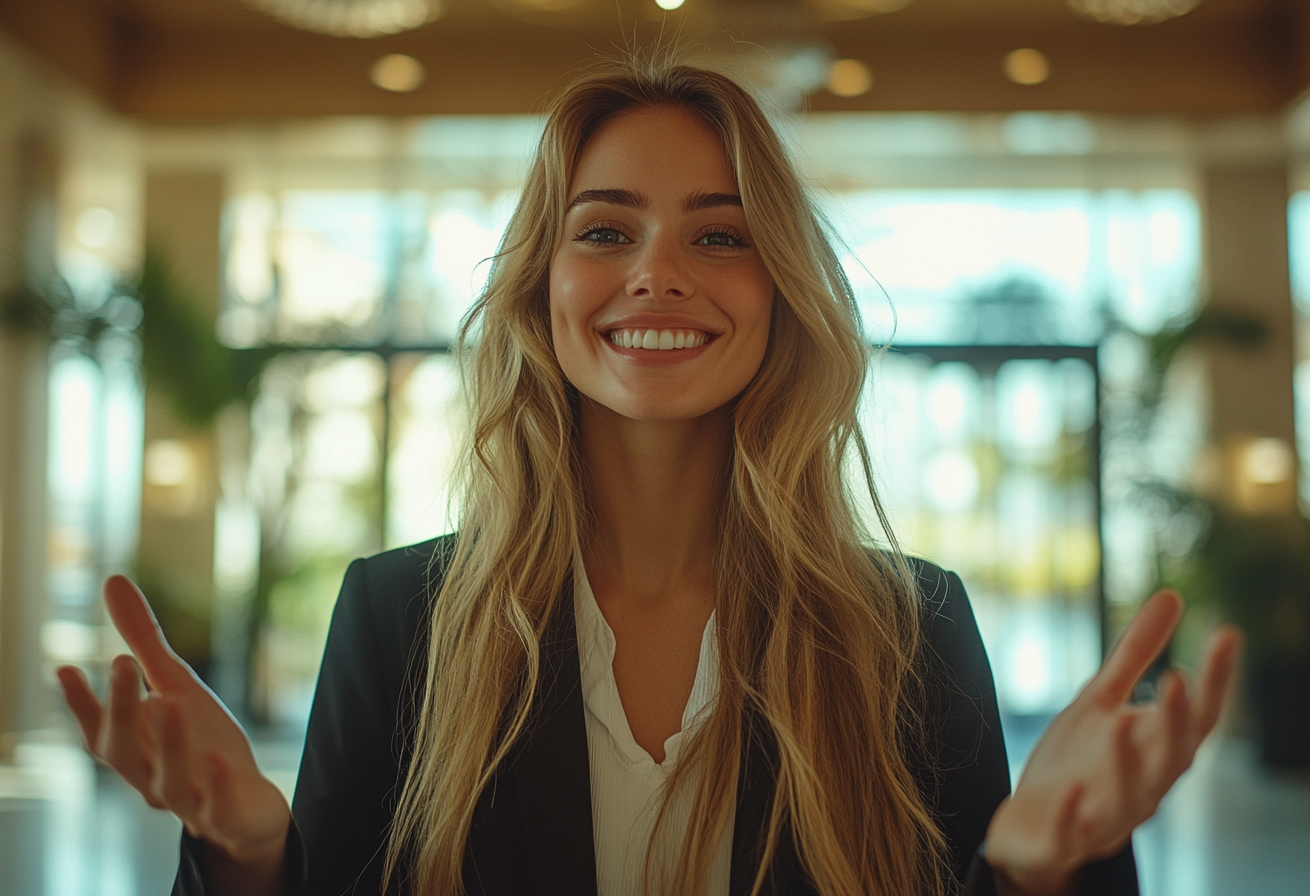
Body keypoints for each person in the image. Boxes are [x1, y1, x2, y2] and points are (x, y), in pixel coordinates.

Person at [56, 57, 1241, 896]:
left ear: (780, 289)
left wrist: (1037, 873)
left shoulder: (911, 624)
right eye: (606, 229)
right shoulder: (397, 614)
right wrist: (254, 858)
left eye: (720, 234)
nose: (657, 273)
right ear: (541, 290)